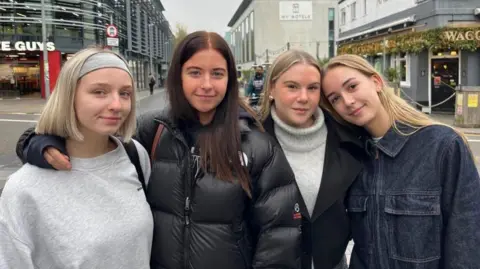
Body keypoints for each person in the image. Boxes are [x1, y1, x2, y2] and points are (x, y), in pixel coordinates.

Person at [15, 31, 302, 269]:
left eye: (217, 73)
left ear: (230, 79)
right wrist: (37, 143)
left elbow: (279, 237)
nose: (206, 84)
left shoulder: (255, 144)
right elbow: (79, 129)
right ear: (178, 75)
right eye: (194, 72)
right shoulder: (151, 130)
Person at [321, 54, 480, 269]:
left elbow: (467, 243)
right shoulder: (349, 156)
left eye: (352, 87)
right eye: (335, 99)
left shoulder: (442, 146)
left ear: (376, 82)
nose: (347, 102)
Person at [0, 48, 153, 268]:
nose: (116, 105)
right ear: (68, 96)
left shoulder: (135, 155)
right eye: (99, 92)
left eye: (125, 93)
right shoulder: (25, 188)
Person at [257, 49, 366, 269]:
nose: (303, 98)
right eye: (292, 87)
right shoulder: (251, 141)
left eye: (312, 88)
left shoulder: (349, 139)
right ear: (271, 89)